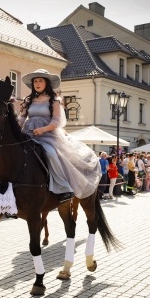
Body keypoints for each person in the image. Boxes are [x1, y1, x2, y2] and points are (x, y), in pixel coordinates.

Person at [18, 69, 100, 201]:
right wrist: (16, 126)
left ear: (46, 83)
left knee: (50, 153)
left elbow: (57, 121)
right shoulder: (29, 100)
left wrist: (43, 129)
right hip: (28, 134)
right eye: (35, 81)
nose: (37, 83)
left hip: (48, 135)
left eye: (40, 81)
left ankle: (62, 186)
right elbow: (22, 118)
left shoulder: (54, 100)